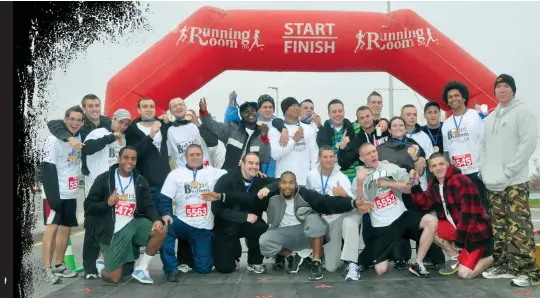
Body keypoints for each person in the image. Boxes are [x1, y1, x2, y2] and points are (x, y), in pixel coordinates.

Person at [479, 74, 540, 287]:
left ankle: (529, 271)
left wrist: (509, 171)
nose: (502, 90)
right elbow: (483, 146)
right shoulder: (491, 117)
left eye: (506, 86)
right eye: (498, 87)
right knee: (499, 226)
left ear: (513, 90)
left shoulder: (522, 112)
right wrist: (484, 171)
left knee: (519, 227)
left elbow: (528, 143)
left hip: (514, 181)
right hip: (493, 182)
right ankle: (505, 265)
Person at [257, 171, 370, 281]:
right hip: (284, 234)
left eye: (291, 183)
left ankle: (316, 262)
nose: (287, 186)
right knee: (264, 241)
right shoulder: (271, 196)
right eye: (284, 183)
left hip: (306, 233)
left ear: (296, 184)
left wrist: (353, 203)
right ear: (279, 184)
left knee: (313, 218)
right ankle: (291, 256)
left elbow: (327, 202)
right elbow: (251, 198)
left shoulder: (305, 194)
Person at [353, 143, 438, 278]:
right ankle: (391, 251)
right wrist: (359, 183)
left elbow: (409, 188)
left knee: (431, 220)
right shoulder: (360, 177)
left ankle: (418, 262)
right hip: (382, 226)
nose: (373, 155)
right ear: (362, 158)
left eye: (374, 151)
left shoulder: (390, 168)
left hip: (402, 218)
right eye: (368, 153)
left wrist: (388, 183)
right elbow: (361, 210)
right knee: (380, 270)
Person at [84, 146, 167, 284]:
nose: (129, 162)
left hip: (132, 224)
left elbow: (149, 205)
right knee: (115, 278)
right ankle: (100, 267)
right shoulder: (104, 179)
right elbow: (88, 206)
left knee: (162, 229)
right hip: (112, 231)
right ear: (119, 159)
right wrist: (107, 203)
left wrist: (157, 219)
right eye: (126, 158)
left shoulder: (140, 181)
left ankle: (142, 268)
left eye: (133, 159)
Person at [410, 153, 493, 279]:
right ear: (430, 169)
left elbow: (470, 214)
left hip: (475, 235)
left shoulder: (461, 181)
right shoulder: (435, 184)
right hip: (459, 231)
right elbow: (424, 204)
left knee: (464, 274)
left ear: (448, 165)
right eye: (434, 165)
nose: (438, 168)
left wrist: (462, 242)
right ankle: (456, 256)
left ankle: (492, 257)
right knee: (429, 227)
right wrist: (415, 185)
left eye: (441, 164)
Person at [156, 144, 228, 281]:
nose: (195, 157)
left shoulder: (213, 172)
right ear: (186, 157)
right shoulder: (176, 174)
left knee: (204, 269)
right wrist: (166, 213)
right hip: (181, 222)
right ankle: (171, 269)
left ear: (203, 156)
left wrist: (255, 173)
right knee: (164, 229)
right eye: (191, 155)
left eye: (198, 154)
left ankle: (194, 255)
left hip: (203, 227)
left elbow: (235, 174)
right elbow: (164, 197)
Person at [203, 153, 276, 274]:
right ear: (242, 164)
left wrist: (269, 188)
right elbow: (216, 209)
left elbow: (281, 181)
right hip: (226, 225)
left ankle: (254, 261)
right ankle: (234, 254)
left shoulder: (260, 179)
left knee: (260, 226)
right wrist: (244, 217)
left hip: (249, 223)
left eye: (257, 164)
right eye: (250, 163)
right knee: (225, 268)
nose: (254, 167)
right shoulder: (226, 180)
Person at [40, 106, 85, 284]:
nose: (75, 123)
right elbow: (47, 169)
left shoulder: (80, 136)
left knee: (66, 228)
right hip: (55, 192)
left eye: (78, 120)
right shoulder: (53, 140)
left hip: (71, 192)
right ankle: (47, 268)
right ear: (65, 120)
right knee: (52, 227)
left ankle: (59, 264)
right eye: (72, 119)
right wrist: (53, 197)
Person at [306, 145, 362, 281]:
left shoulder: (341, 177)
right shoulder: (311, 176)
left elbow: (353, 205)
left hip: (340, 218)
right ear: (319, 159)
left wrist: (344, 194)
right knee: (331, 267)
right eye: (325, 157)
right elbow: (308, 198)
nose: (329, 160)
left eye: (331, 156)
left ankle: (352, 262)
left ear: (335, 158)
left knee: (350, 221)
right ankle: (336, 253)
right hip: (323, 220)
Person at [441, 81, 489, 211]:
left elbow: (486, 142)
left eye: (457, 95)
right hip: (458, 176)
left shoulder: (475, 116)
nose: (453, 99)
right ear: (447, 101)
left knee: (482, 212)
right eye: (450, 97)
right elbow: (446, 151)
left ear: (464, 97)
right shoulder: (446, 124)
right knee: (463, 213)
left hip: (476, 173)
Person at [199, 98, 273, 172]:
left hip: (251, 177)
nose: (250, 113)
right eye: (246, 111)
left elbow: (264, 159)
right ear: (241, 115)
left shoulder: (262, 132)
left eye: (253, 111)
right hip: (230, 176)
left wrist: (264, 138)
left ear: (257, 113)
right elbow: (213, 126)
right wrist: (204, 112)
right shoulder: (232, 129)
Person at [268, 97, 318, 186]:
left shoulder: (309, 130)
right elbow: (275, 155)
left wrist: (313, 176)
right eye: (293, 106)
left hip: (304, 181)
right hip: (284, 182)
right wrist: (293, 141)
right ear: (285, 110)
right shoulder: (275, 130)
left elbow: (314, 156)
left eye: (298, 106)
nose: (297, 108)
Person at [315, 99, 359, 182]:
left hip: (352, 177)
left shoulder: (355, 128)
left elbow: (370, 124)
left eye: (340, 111)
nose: (338, 114)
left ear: (344, 112)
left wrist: (384, 121)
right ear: (329, 114)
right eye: (334, 112)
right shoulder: (323, 131)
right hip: (331, 178)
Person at [167, 97, 215, 168]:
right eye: (174, 106)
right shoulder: (170, 131)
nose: (178, 107)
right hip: (184, 173)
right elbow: (168, 155)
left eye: (180, 104)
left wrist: (197, 124)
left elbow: (213, 142)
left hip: (204, 170)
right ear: (171, 112)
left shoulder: (197, 123)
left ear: (186, 107)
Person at [337, 106, 389, 171]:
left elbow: (398, 126)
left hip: (391, 171)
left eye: (367, 116)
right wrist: (342, 148)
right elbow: (344, 165)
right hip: (370, 176)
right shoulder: (357, 141)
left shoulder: (384, 129)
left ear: (373, 116)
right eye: (362, 118)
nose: (365, 120)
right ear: (358, 121)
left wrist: (385, 121)